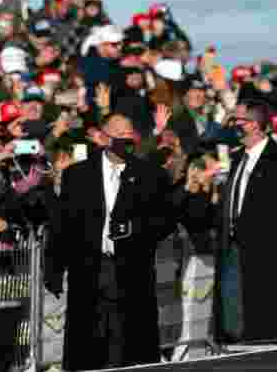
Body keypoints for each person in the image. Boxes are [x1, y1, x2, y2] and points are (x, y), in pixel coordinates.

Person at [44, 113, 178, 371]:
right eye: (120, 138)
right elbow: (62, 225)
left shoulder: (151, 175)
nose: (126, 145)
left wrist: (136, 229)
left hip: (133, 268)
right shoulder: (78, 174)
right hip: (89, 268)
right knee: (89, 337)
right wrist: (54, 268)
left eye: (130, 139)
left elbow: (167, 220)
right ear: (104, 138)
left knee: (129, 338)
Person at [202, 99, 277, 343]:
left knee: (264, 335)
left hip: (268, 262)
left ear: (254, 125)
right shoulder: (239, 157)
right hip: (232, 251)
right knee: (232, 326)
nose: (232, 125)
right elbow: (206, 140)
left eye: (237, 120)